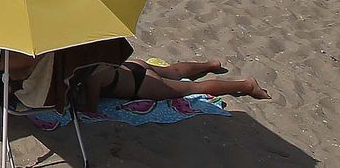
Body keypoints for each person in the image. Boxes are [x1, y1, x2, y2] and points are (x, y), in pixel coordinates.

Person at [71, 58, 268, 113]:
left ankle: (246, 85)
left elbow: (91, 108)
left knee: (194, 89)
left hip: (142, 86)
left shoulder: (90, 75)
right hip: (133, 66)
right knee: (174, 71)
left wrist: (80, 105)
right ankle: (211, 64)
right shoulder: (92, 56)